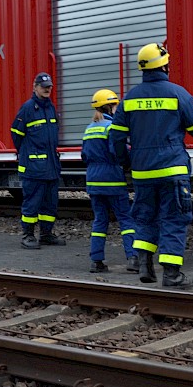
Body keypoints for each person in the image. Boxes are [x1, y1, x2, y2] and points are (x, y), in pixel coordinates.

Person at [109, 43, 193, 289]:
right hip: (172, 170)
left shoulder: (129, 99)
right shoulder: (178, 94)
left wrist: (126, 162)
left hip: (143, 172)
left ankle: (145, 265)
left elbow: (116, 138)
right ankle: (172, 274)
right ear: (165, 65)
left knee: (145, 218)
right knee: (174, 219)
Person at [82, 89, 139, 274]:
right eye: (116, 105)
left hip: (93, 180)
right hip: (112, 179)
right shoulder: (111, 128)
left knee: (100, 221)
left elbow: (84, 155)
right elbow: (118, 152)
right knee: (125, 219)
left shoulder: (89, 129)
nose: (117, 108)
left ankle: (96, 261)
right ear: (109, 106)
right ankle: (133, 258)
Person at [10, 72, 64, 249]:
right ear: (35, 87)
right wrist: (28, 154)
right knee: (32, 202)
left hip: (50, 166)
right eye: (43, 86)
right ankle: (28, 235)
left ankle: (46, 234)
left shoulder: (51, 108)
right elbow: (16, 135)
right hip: (34, 167)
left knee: (50, 203)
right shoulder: (28, 108)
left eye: (49, 87)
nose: (47, 89)